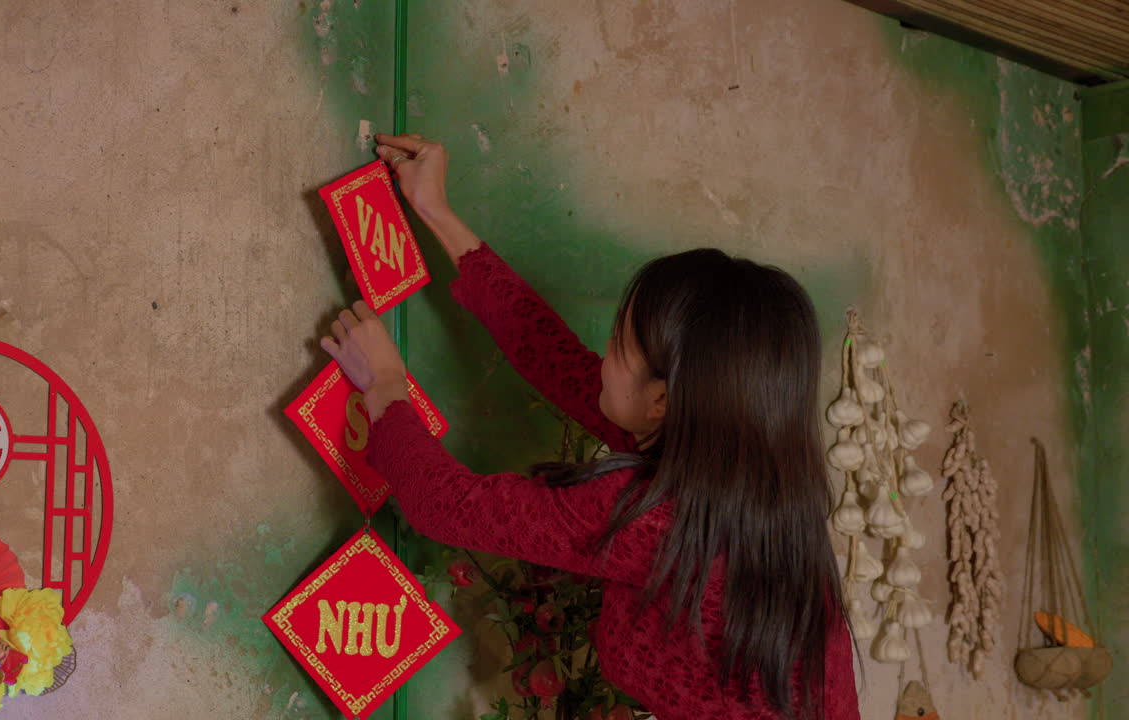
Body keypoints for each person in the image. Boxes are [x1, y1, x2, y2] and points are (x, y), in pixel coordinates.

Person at [319, 133, 861, 720]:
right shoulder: (739, 476)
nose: (600, 358)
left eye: (617, 344)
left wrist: (386, 386)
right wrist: (436, 212)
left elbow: (446, 507)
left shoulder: (654, 513)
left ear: (663, 399)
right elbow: (548, 355)